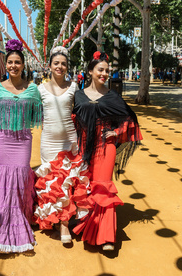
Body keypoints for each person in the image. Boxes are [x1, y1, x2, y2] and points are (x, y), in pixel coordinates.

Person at [72, 51, 143, 251]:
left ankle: (106, 236)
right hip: (85, 147)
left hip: (106, 147)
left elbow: (130, 120)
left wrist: (116, 132)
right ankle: (88, 226)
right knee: (86, 184)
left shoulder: (113, 96)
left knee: (103, 185)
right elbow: (74, 120)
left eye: (107, 70)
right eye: (100, 70)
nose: (104, 73)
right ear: (90, 71)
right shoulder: (78, 95)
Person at [0, 39, 42, 254]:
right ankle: (1, 227)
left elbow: (39, 114)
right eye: (10, 62)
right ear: (6, 64)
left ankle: (20, 224)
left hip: (23, 141)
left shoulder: (33, 89)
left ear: (23, 65)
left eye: (17, 62)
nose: (14, 66)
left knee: (19, 179)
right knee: (4, 179)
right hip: (3, 139)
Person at [34, 46, 89, 244]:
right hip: (48, 142)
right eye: (56, 63)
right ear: (49, 66)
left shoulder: (74, 87)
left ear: (67, 67)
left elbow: (85, 109)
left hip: (69, 141)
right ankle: (57, 220)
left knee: (68, 181)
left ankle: (64, 223)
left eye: (63, 64)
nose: (60, 66)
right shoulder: (39, 89)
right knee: (52, 182)